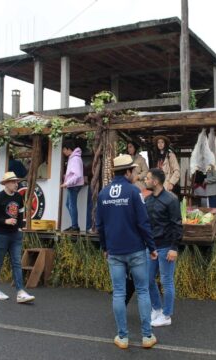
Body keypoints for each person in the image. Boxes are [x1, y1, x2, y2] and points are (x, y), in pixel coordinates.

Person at [96, 154, 158, 350]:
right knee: (142, 290)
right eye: (134, 171)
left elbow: (100, 225)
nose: (135, 174)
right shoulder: (134, 192)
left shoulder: (103, 194)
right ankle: (147, 336)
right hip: (136, 249)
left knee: (119, 293)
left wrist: (105, 247)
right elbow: (143, 222)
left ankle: (122, 337)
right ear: (128, 171)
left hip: (114, 250)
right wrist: (152, 246)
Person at [0, 171, 35, 304]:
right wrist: (4, 221)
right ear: (6, 184)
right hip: (0, 235)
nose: (16, 184)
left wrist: (19, 227)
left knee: (17, 263)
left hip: (15, 235)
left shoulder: (18, 197)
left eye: (17, 182)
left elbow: (21, 213)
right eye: (13, 182)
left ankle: (20, 292)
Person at [144, 168, 183, 327]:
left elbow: (177, 225)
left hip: (167, 247)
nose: (145, 180)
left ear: (156, 181)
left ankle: (167, 316)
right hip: (151, 247)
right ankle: (157, 309)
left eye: (147, 178)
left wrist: (174, 248)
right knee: (148, 280)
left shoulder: (171, 200)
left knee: (166, 281)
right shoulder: (147, 200)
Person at [61, 139, 84, 232]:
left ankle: (75, 227)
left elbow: (77, 175)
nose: (63, 152)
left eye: (63, 149)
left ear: (68, 149)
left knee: (71, 205)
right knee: (69, 204)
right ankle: (74, 225)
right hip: (73, 185)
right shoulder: (73, 157)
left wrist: (66, 183)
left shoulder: (75, 159)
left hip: (74, 185)